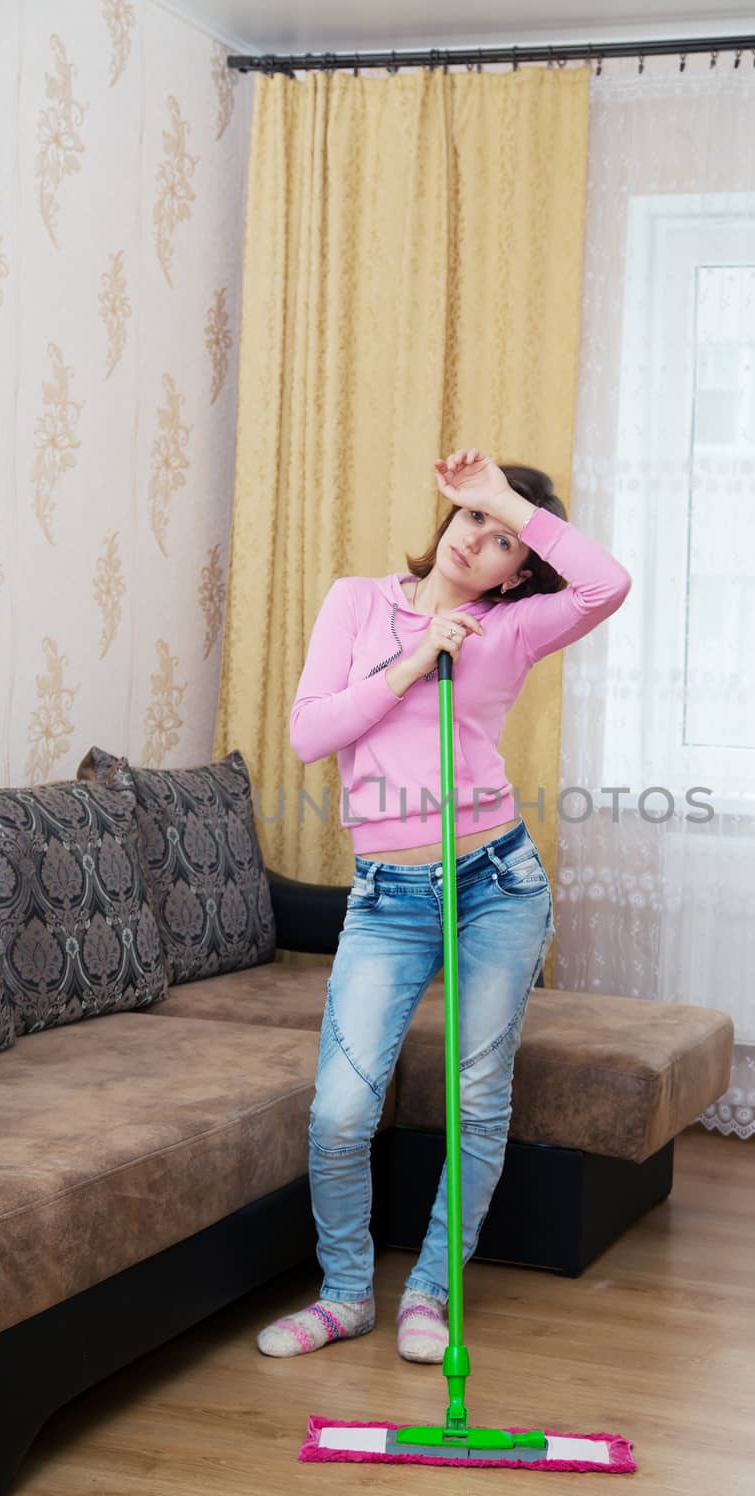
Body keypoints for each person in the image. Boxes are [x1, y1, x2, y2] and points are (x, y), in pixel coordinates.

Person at [257, 447, 632, 1362]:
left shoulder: (513, 630)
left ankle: (431, 1292)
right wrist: (414, 659)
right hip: (388, 897)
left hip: (496, 886)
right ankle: (347, 1294)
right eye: (473, 519)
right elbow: (309, 734)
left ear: (519, 569)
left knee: (475, 1099)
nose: (480, 543)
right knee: (342, 1109)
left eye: (504, 539)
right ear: (445, 521)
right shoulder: (358, 601)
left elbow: (607, 585)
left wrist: (508, 497)